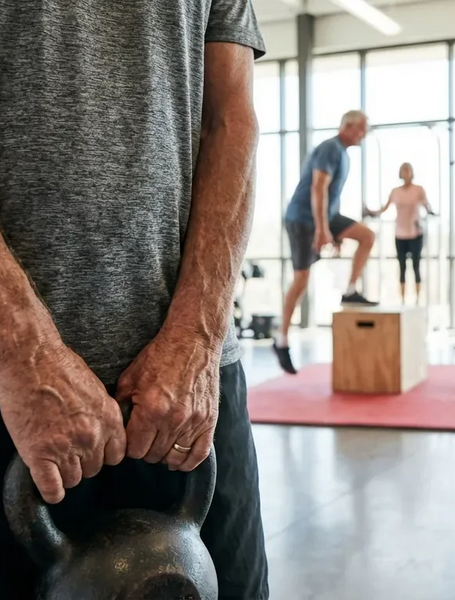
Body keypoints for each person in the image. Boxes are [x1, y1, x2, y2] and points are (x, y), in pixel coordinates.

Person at [0, 3, 269, 598]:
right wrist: (23, 352)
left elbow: (231, 121)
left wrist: (197, 341)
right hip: (11, 395)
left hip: (187, 395)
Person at [275, 110, 377, 375]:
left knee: (366, 236)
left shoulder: (343, 153)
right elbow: (318, 188)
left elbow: (332, 194)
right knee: (301, 282)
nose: (363, 135)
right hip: (302, 220)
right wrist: (322, 229)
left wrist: (337, 232)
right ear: (348, 126)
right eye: (361, 129)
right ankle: (281, 339)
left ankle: (351, 290)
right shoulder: (330, 148)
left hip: (326, 216)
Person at [369, 163, 435, 304]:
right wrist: (371, 212)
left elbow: (427, 205)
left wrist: (431, 212)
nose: (406, 173)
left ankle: (418, 300)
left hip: (415, 233)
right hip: (400, 234)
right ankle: (403, 300)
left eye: (408, 170)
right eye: (403, 170)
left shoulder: (418, 190)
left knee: (416, 266)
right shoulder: (395, 191)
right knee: (402, 267)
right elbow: (384, 208)